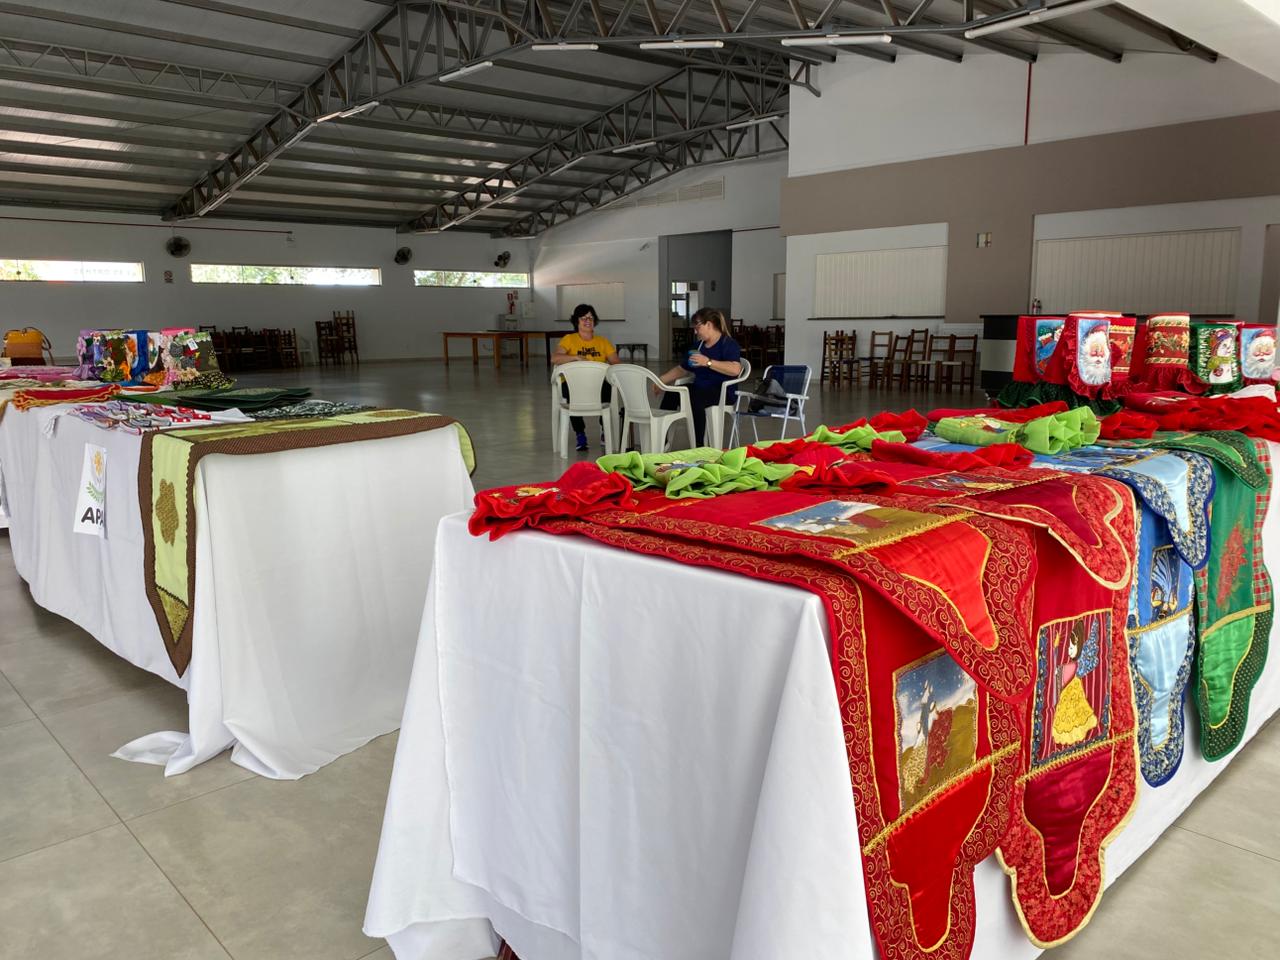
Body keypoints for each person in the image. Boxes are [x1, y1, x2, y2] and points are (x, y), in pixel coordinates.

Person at [655, 307, 743, 446]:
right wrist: (660, 381)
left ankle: (699, 445)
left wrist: (708, 362)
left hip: (722, 391)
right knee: (672, 393)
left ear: (709, 324)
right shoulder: (698, 346)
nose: (695, 332)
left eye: (697, 327)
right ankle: (661, 441)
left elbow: (735, 369)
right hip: (700, 388)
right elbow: (682, 369)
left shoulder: (728, 344)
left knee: (695, 398)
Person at [553, 303, 619, 451]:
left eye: (590, 317)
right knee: (570, 392)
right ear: (576, 321)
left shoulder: (603, 341)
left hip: (598, 383)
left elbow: (616, 363)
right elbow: (555, 358)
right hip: (573, 383)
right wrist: (575, 357)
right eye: (583, 318)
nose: (587, 320)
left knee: (608, 387)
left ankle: (604, 430)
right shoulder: (569, 339)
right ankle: (580, 434)